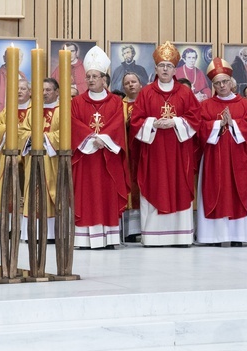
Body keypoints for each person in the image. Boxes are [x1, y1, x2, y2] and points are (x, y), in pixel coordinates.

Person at [130, 41, 202, 246]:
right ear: (155, 68)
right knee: (155, 183)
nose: (165, 69)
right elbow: (135, 121)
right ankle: (153, 237)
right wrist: (153, 123)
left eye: (169, 66)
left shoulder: (185, 93)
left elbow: (195, 118)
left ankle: (181, 235)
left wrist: (175, 122)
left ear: (174, 69)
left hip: (179, 151)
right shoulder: (146, 93)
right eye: (161, 65)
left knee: (179, 185)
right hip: (153, 151)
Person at [196, 58, 247, 245]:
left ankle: (238, 236)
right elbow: (199, 129)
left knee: (238, 192)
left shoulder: (244, 104)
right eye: (217, 83)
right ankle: (213, 237)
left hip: (239, 157)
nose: (222, 85)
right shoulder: (206, 105)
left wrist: (234, 124)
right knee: (214, 191)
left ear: (232, 82)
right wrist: (218, 124)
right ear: (213, 84)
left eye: (225, 81)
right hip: (214, 158)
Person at [71, 46, 130, 248]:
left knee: (107, 193)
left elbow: (117, 124)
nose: (91, 80)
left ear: (104, 78)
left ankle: (110, 238)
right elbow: (73, 124)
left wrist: (103, 139)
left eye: (95, 76)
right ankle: (83, 239)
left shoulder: (115, 101)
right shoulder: (77, 102)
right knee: (86, 195)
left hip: (107, 158)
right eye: (88, 76)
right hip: (86, 158)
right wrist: (90, 139)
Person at [19, 78, 60, 242]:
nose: (44, 93)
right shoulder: (33, 110)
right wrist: (31, 138)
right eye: (42, 90)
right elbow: (22, 131)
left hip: (53, 160)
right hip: (33, 158)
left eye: (48, 90)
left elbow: (66, 132)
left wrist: (44, 137)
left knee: (53, 192)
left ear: (57, 92)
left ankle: (51, 234)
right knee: (32, 193)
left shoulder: (63, 109)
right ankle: (32, 232)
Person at [0, 79, 32, 214]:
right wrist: (10, 129)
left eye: (23, 88)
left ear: (30, 91)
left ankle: (26, 226)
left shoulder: (35, 109)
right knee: (10, 189)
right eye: (17, 88)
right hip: (9, 155)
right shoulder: (8, 110)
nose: (19, 91)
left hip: (29, 156)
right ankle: (11, 227)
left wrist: (22, 132)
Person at [121, 72, 143, 241]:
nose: (131, 85)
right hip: (127, 152)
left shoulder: (147, 101)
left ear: (140, 84)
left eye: (133, 81)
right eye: (127, 83)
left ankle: (146, 227)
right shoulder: (119, 105)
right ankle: (130, 230)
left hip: (143, 149)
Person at [0, 48, 28, 112]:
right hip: (3, 114)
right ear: (4, 58)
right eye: (11, 58)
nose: (14, 61)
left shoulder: (22, 75)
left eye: (18, 59)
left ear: (21, 60)